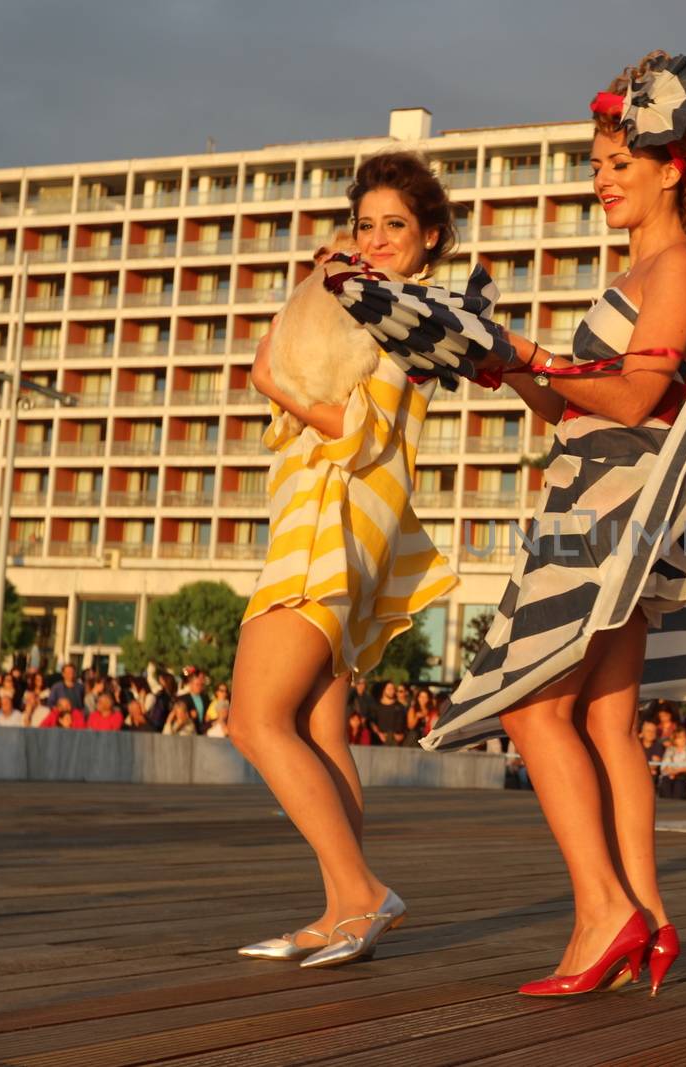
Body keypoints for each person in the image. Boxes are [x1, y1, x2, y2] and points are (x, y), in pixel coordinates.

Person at [419, 51, 686, 998]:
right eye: (598, 163)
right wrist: (505, 361)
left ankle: (607, 913)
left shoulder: (678, 265)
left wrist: (530, 352)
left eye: (617, 163)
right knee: (606, 722)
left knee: (531, 706)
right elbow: (575, 409)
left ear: (670, 166)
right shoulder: (646, 269)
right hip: (610, 500)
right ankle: (645, 913)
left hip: (607, 512)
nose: (600, 178)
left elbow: (639, 394)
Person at [229, 149, 460, 971]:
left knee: (253, 719)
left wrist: (275, 384)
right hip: (327, 522)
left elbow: (360, 432)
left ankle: (361, 891)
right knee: (322, 725)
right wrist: (311, 294)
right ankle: (338, 910)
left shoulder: (405, 315)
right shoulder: (355, 306)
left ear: (430, 237)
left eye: (396, 224)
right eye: (366, 224)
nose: (377, 237)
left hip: (329, 528)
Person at [658, 726, 686, 802]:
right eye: (679, 737)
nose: (682, 739)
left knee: (679, 783)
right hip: (670, 776)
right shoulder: (670, 750)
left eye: (684, 737)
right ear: (674, 739)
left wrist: (675, 772)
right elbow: (664, 766)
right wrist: (671, 772)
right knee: (665, 782)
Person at [369, 681, 408, 746]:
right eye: (389, 689)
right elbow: (372, 723)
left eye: (393, 689)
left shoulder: (400, 707)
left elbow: (404, 724)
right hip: (379, 741)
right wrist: (379, 734)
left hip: (396, 741)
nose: (391, 691)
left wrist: (401, 735)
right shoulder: (375, 706)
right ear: (383, 690)